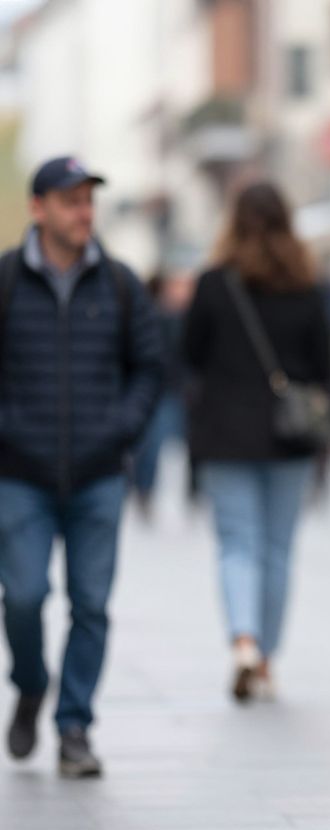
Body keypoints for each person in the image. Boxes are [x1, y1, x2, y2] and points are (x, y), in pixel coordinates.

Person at [0, 156, 162, 777]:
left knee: (91, 604)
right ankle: (29, 683)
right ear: (38, 209)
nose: (83, 212)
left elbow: (150, 367)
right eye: (69, 201)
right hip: (20, 475)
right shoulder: (9, 280)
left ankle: (73, 729)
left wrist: (121, 429)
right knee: (23, 595)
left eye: (88, 201)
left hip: (97, 475)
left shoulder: (118, 283)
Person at [183, 182, 330, 702]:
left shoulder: (212, 284)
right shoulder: (306, 288)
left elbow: (189, 354)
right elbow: (323, 368)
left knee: (236, 545)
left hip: (225, 436)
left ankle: (242, 640)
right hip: (288, 440)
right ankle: (265, 658)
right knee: (276, 550)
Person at [131, 269, 193, 518]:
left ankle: (192, 491)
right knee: (153, 446)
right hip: (163, 391)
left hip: (182, 390)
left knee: (185, 445)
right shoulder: (156, 315)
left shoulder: (188, 317)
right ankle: (145, 490)